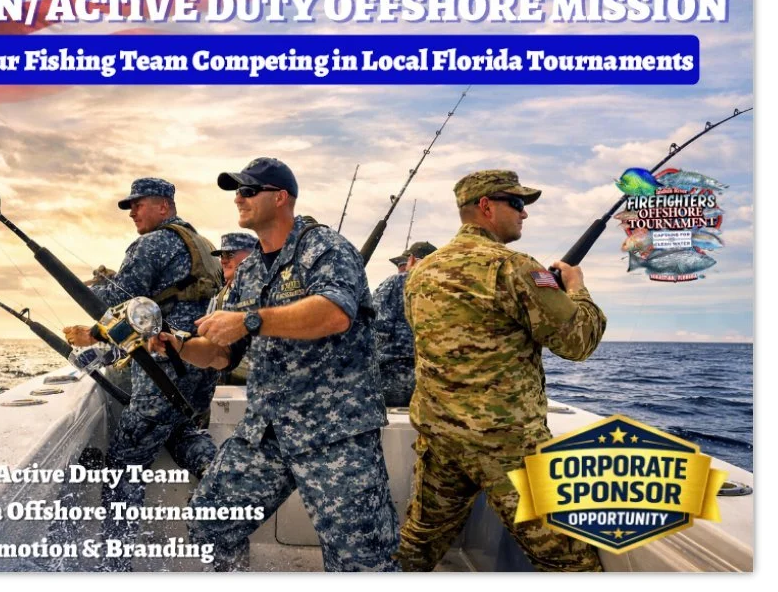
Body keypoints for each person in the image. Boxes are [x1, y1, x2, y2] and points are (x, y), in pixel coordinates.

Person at [151, 158, 399, 572]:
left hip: (335, 432)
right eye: (238, 191)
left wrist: (249, 320)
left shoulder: (326, 248)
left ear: (280, 197)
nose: (239, 198)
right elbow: (220, 354)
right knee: (208, 522)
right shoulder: (247, 272)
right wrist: (176, 346)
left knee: (363, 562)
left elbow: (336, 313)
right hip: (267, 430)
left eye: (249, 191)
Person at [396, 170, 607, 572]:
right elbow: (579, 342)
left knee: (419, 542)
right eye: (517, 203)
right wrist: (576, 288)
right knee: (568, 560)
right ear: (486, 207)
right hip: (507, 445)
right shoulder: (514, 267)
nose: (524, 214)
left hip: (441, 435)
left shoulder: (421, 272)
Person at [63, 177, 223, 569]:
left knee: (124, 461)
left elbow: (119, 301)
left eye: (139, 204)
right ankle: (223, 496)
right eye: (130, 206)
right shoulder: (197, 242)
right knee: (183, 433)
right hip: (199, 369)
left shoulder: (152, 243)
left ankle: (115, 564)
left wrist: (92, 297)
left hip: (164, 368)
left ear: (165, 205)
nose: (133, 212)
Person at [372, 240, 437, 408]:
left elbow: (375, 328)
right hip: (430, 385)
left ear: (413, 260)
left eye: (403, 263)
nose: (401, 269)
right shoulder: (443, 288)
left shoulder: (394, 283)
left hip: (389, 380)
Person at [208, 232, 258, 385]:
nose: (223, 260)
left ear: (251, 256)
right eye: (221, 255)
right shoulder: (221, 294)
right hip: (226, 378)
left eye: (229, 254)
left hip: (254, 381)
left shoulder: (264, 291)